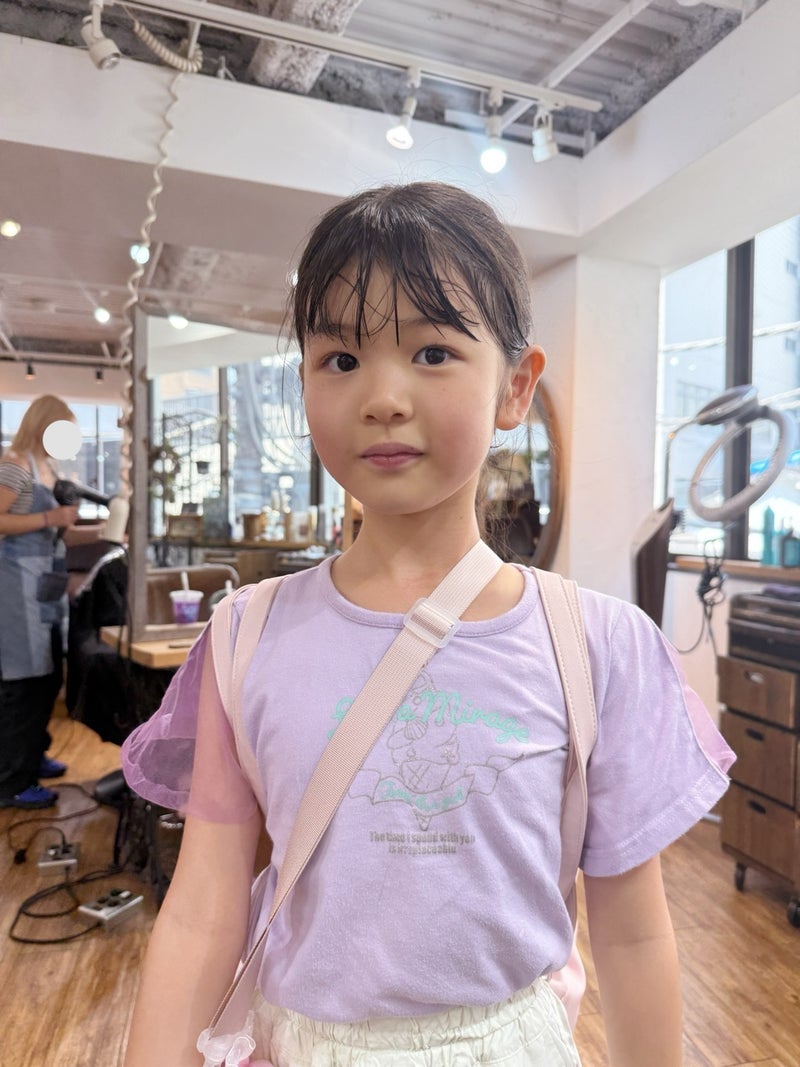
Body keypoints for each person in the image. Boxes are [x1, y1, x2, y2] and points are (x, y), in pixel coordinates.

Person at [121, 182, 735, 1067]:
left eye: (434, 351)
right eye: (341, 358)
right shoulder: (246, 637)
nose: (382, 396)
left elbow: (633, 934)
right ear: (303, 383)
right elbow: (201, 910)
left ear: (515, 387)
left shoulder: (598, 645)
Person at [0, 395, 80, 809]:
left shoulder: (47, 468)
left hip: (43, 584)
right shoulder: (15, 464)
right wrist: (51, 518)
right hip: (16, 586)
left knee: (47, 677)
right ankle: (12, 781)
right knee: (23, 681)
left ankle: (31, 754)